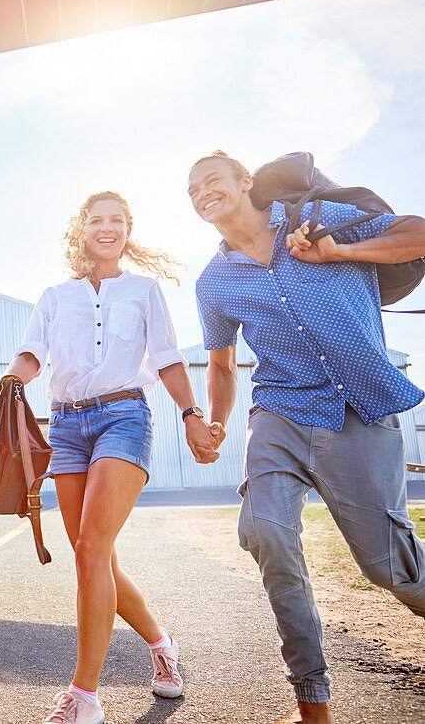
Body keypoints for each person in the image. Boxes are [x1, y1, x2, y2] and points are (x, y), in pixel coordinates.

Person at [187, 151, 425, 724]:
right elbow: (221, 366)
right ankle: (311, 699)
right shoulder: (213, 281)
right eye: (192, 189)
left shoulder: (317, 218)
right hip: (280, 410)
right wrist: (213, 419)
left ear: (246, 182)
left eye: (213, 180)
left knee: (388, 569)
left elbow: (417, 234)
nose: (202, 192)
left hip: (357, 409)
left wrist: (339, 251)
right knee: (265, 530)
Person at [0, 191, 221, 724]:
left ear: (128, 229)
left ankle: (85, 697)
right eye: (97, 220)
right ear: (81, 230)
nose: (107, 228)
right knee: (99, 559)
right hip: (66, 427)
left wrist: (191, 414)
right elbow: (30, 355)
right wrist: (9, 382)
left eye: (117, 220)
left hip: (124, 418)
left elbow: (167, 358)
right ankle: (162, 645)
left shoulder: (143, 290)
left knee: (91, 550)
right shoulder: (54, 296)